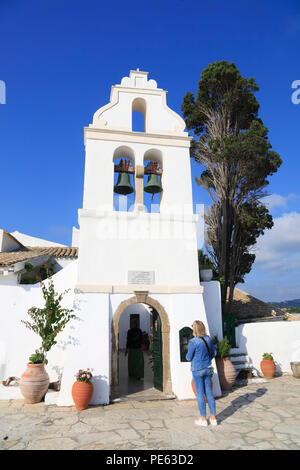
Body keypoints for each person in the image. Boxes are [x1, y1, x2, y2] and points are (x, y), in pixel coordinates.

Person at [186, 320, 217, 426]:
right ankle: (213, 418)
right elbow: (213, 353)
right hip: (207, 368)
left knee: (200, 394)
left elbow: (188, 357)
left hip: (197, 369)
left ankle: (203, 419)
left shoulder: (193, 341)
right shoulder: (208, 339)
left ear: (194, 329)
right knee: (209, 392)